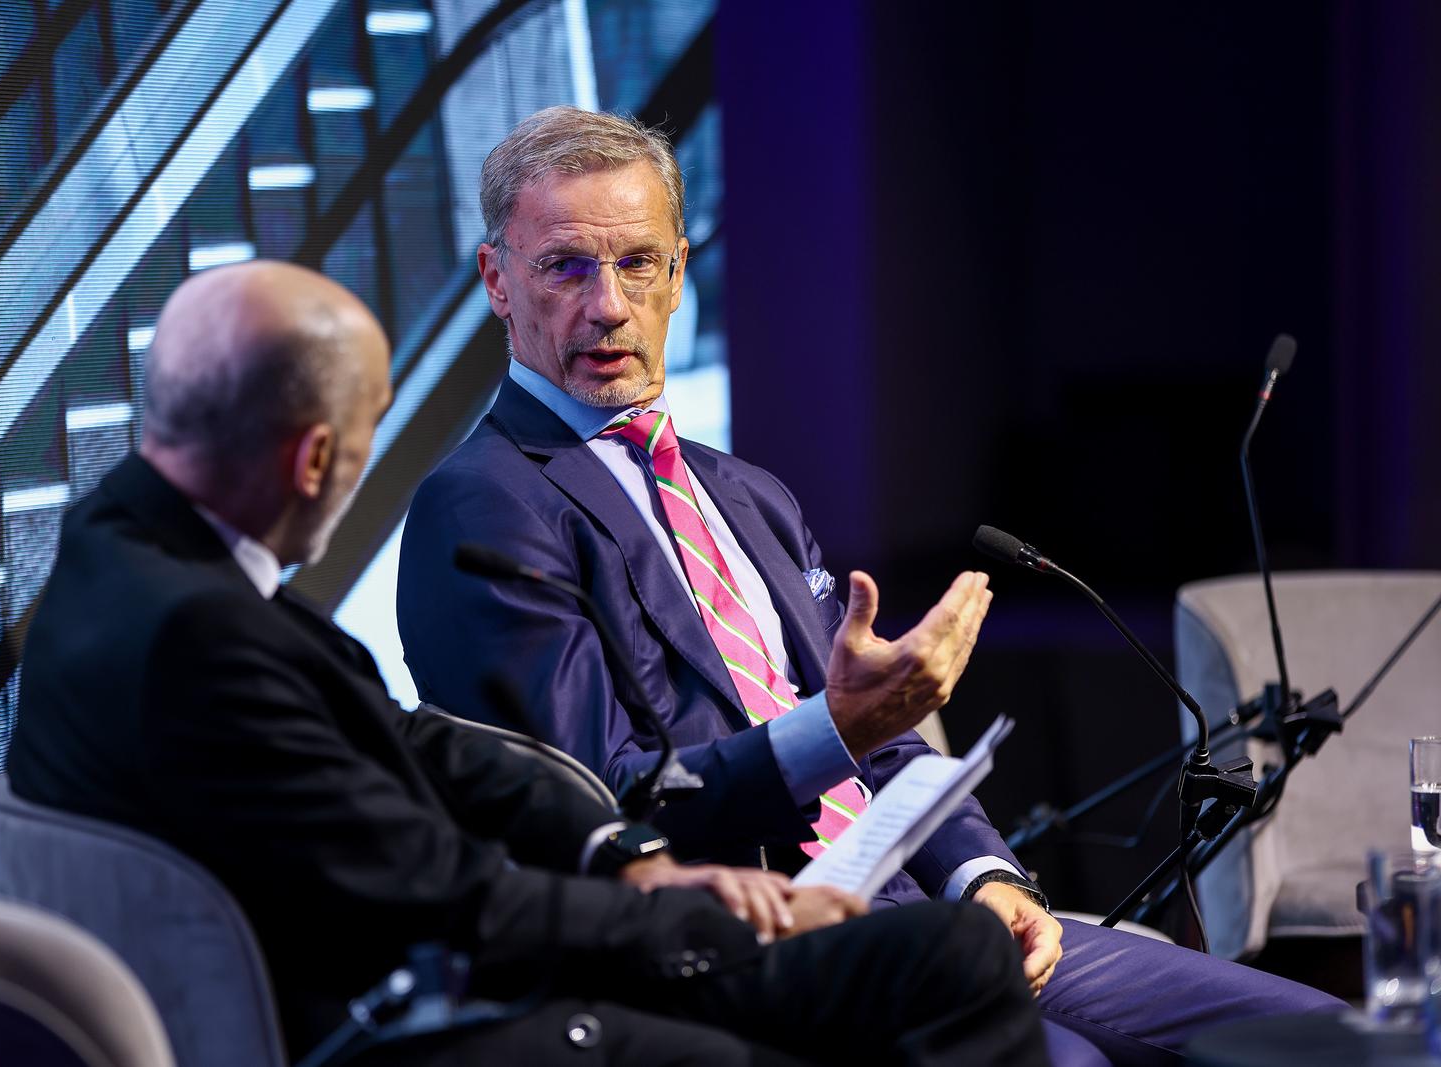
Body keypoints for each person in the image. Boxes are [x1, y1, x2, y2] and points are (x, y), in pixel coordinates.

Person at [395, 106, 1345, 1067]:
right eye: (565, 266)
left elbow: (878, 736)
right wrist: (836, 728)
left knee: (1336, 1039)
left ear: (680, 272)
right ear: (496, 282)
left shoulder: (746, 494)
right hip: (752, 948)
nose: (607, 304)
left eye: (637, 262)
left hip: (923, 912)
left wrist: (984, 876)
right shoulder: (481, 507)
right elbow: (604, 806)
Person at [5, 260, 1049, 1066]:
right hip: (408, 1023)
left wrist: (616, 849)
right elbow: (447, 900)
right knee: (937, 967)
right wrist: (696, 908)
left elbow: (415, 739)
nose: (607, 307)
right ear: (315, 459)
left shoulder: (117, 550)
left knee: (936, 956)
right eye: (371, 435)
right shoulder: (207, 635)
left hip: (437, 952)